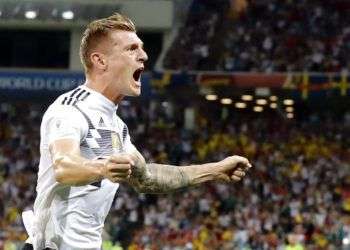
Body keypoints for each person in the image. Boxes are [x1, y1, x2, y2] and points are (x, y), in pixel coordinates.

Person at [22, 13, 252, 250]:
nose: (144, 55)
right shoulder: (71, 107)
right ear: (100, 61)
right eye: (131, 49)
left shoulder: (117, 127)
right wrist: (103, 167)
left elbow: (147, 178)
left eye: (141, 48)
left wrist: (215, 170)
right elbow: (64, 166)